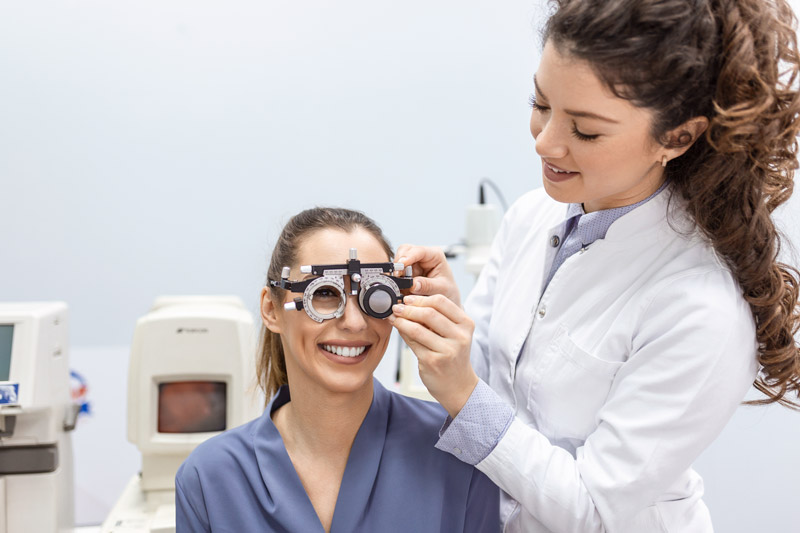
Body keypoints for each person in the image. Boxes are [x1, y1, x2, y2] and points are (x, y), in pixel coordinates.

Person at [389, 0, 800, 531]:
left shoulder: (699, 307)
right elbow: (499, 393)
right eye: (540, 104)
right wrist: (449, 318)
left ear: (676, 137)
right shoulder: (532, 217)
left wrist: (462, 392)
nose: (544, 140)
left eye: (585, 131)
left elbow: (593, 509)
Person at [175, 207, 499, 533]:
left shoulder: (460, 454)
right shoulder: (210, 478)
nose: (355, 322)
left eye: (375, 294)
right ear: (271, 309)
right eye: (326, 293)